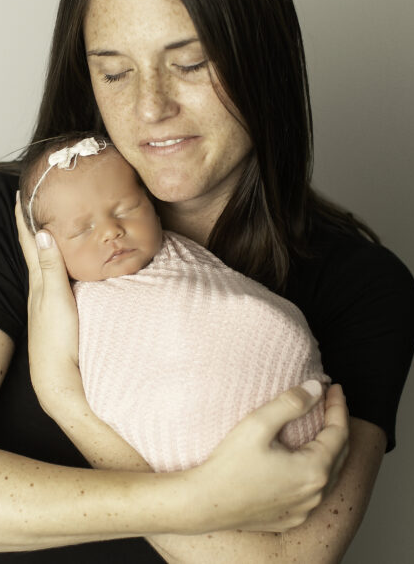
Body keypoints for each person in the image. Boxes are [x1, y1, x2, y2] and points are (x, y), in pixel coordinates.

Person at [0, 0, 414, 562]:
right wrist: (196, 499)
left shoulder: (361, 287)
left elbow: (284, 561)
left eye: (189, 62)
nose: (152, 107)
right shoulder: (18, 221)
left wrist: (71, 403)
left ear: (262, 57)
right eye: (116, 74)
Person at [20, 132, 328, 473]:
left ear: (153, 207)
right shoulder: (69, 307)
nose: (111, 231)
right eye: (82, 230)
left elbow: (247, 313)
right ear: (46, 246)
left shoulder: (182, 257)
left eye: (126, 209)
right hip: (185, 448)